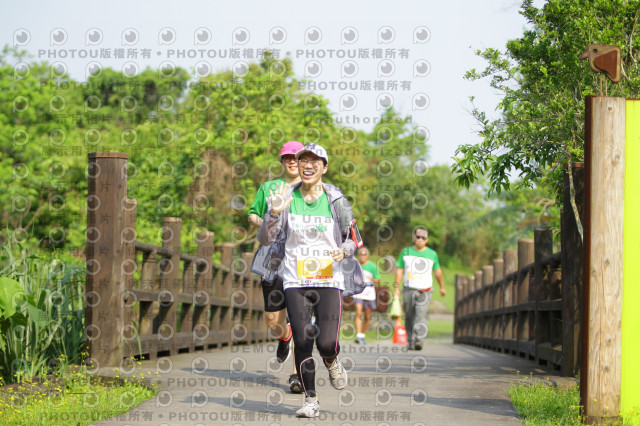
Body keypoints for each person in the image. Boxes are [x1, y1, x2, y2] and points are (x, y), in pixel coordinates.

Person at [257, 143, 364, 418]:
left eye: (315, 161)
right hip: (295, 280)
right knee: (303, 339)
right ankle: (310, 398)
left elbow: (354, 239)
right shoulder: (285, 197)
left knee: (326, 342)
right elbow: (266, 239)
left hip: (329, 280)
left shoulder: (336, 199)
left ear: (324, 167)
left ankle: (331, 360)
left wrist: (345, 251)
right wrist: (275, 213)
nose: (307, 165)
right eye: (303, 160)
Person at [248, 141, 303, 393]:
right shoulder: (269, 187)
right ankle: (284, 335)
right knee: (273, 321)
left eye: (296, 157)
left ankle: (297, 375)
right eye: (287, 158)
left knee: (302, 317)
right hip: (272, 259)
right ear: (282, 161)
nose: (292, 161)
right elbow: (252, 214)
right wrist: (268, 223)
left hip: (302, 259)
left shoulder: (311, 189)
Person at [393, 226, 446, 351]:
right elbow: (399, 270)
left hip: (425, 290)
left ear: (427, 240)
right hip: (408, 288)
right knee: (409, 315)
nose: (420, 239)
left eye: (423, 237)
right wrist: (396, 288)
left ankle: (419, 340)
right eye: (418, 237)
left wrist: (442, 287)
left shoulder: (432, 254)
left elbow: (438, 272)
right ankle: (410, 340)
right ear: (414, 238)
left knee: (420, 314)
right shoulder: (406, 252)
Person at [353, 246, 380, 344]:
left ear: (367, 255)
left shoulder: (372, 266)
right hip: (358, 293)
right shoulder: (355, 265)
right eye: (361, 254)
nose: (362, 256)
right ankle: (358, 335)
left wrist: (370, 278)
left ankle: (363, 335)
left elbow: (378, 280)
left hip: (369, 294)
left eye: (364, 254)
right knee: (359, 312)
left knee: (367, 316)